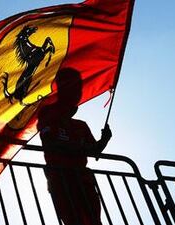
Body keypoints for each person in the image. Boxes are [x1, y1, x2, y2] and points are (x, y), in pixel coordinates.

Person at [37, 68, 112, 225]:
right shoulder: (47, 116)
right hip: (60, 179)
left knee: (94, 221)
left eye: (78, 87)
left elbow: (94, 151)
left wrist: (104, 140)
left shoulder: (81, 125)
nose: (76, 92)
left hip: (83, 179)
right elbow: (51, 143)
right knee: (73, 220)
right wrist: (78, 148)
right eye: (70, 86)